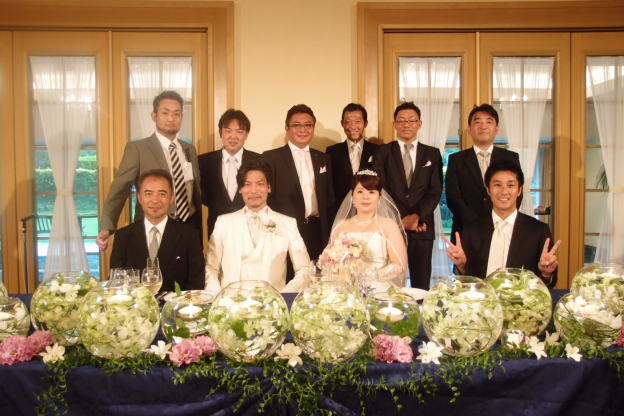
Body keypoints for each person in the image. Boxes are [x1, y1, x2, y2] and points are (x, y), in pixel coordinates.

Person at [97, 90, 202, 250]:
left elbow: (194, 192)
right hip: (152, 227)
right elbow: (119, 190)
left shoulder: (189, 149)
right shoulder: (138, 149)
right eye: (165, 113)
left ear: (182, 117)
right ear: (154, 116)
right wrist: (107, 227)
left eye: (176, 114)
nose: (171, 118)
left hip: (188, 227)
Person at [444, 160, 560, 287]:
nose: (504, 191)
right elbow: (466, 279)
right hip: (482, 298)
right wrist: (461, 265)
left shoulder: (538, 230)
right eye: (497, 185)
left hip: (520, 299)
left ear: (519, 190)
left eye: (510, 185)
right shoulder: (472, 229)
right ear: (488, 190)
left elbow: (549, 283)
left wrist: (546, 273)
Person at [205, 159, 311, 294]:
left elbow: (304, 269)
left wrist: (282, 297)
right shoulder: (223, 222)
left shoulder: (287, 223)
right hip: (231, 301)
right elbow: (211, 267)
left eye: (260, 184)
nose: (254, 190)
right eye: (247, 184)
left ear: (269, 187)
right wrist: (218, 297)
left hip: (272, 302)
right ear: (240, 189)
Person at [373, 102, 443, 290]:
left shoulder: (432, 154)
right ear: (394, 124)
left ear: (419, 124)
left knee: (421, 285)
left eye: (412, 120)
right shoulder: (382, 152)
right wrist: (400, 220)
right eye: (401, 120)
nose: (407, 124)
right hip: (391, 226)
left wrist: (417, 216)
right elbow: (380, 188)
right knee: (390, 285)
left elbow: (435, 190)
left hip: (422, 228)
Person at [110, 169, 205, 293]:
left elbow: (196, 283)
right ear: (139, 198)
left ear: (171, 198)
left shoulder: (189, 235)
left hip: (176, 304)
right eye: (148, 193)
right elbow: (116, 282)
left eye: (162, 194)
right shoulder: (123, 236)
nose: (155, 200)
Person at [262, 104, 334, 260]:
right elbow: (266, 199)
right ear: (287, 128)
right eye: (296, 125)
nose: (303, 130)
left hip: (317, 230)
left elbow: (329, 199)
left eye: (308, 125)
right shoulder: (270, 158)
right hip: (285, 230)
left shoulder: (323, 158)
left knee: (317, 272)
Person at [446, 104, 521, 242]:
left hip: (502, 227)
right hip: (466, 229)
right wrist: (475, 223)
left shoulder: (511, 157)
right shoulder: (456, 159)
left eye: (489, 121)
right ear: (469, 130)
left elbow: (516, 192)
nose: (483, 126)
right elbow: (453, 196)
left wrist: (498, 218)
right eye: (477, 121)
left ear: (497, 129)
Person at [327, 169, 407, 291]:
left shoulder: (388, 225)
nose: (365, 197)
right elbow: (330, 262)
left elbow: (399, 266)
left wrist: (371, 277)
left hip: (378, 289)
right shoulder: (341, 226)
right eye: (360, 191)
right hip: (346, 289)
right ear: (352, 196)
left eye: (371, 192)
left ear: (379, 197)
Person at [198, 109, 260, 236]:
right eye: (228, 131)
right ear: (221, 133)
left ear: (246, 135)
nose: (233, 136)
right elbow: (202, 196)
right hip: (217, 230)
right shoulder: (203, 162)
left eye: (239, 131)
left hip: (250, 230)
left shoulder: (259, 161)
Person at [326, 103, 379, 206]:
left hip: (369, 206)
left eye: (357, 121)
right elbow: (329, 186)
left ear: (365, 123)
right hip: (341, 207)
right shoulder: (332, 151)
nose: (352, 126)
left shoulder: (377, 150)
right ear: (342, 124)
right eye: (347, 122)